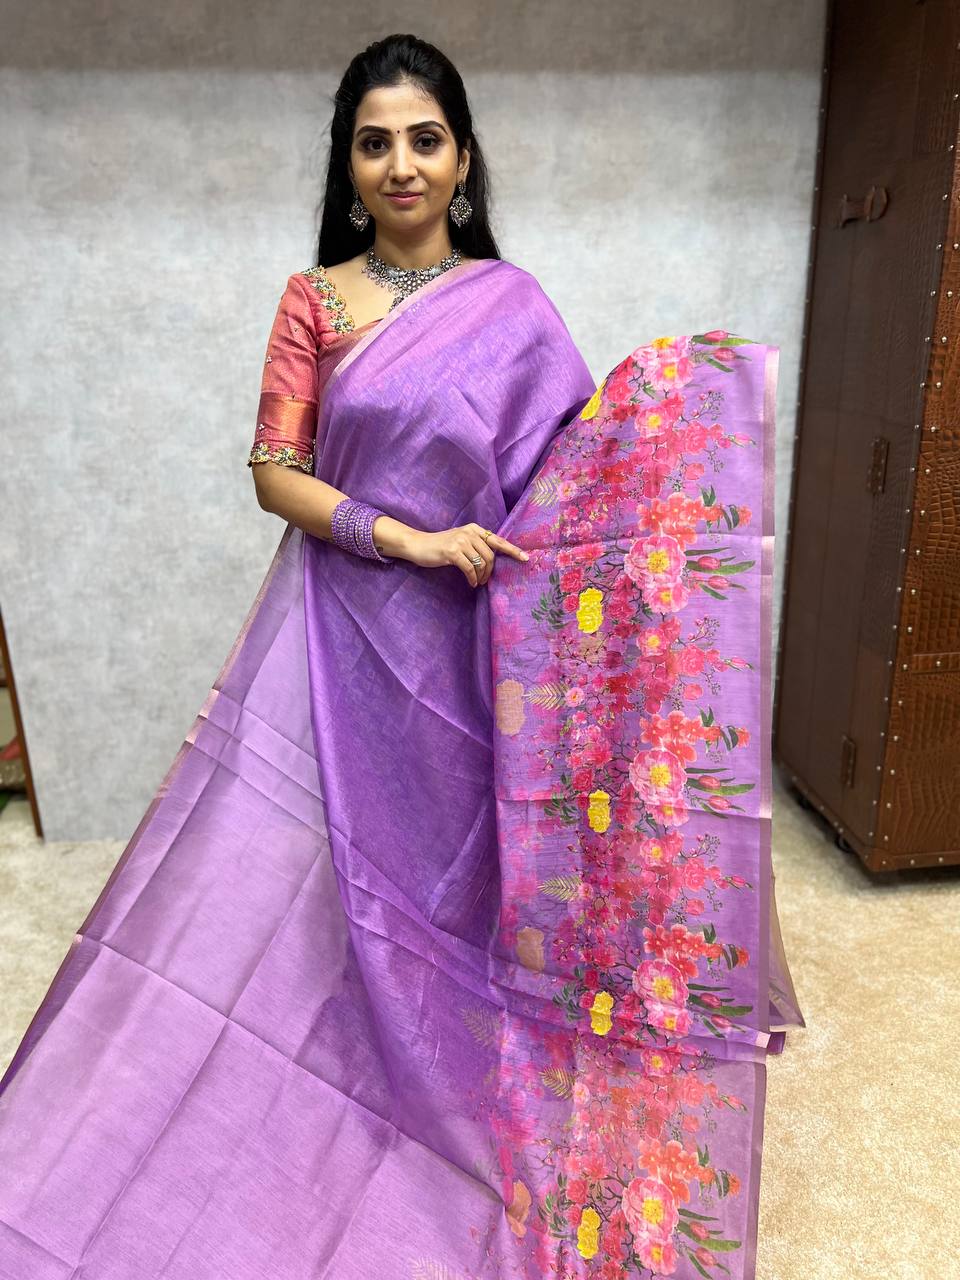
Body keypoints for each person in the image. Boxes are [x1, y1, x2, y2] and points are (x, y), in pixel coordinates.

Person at [0, 32, 803, 1280]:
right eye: (374, 143)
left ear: (464, 158)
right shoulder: (317, 302)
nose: (401, 165)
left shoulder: (512, 304)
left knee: (472, 873)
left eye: (425, 139)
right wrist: (404, 536)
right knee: (341, 880)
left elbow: (568, 480)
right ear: (349, 164)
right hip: (349, 635)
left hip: (483, 648)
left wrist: (674, 432)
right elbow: (275, 472)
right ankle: (347, 1081)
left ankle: (469, 1105)